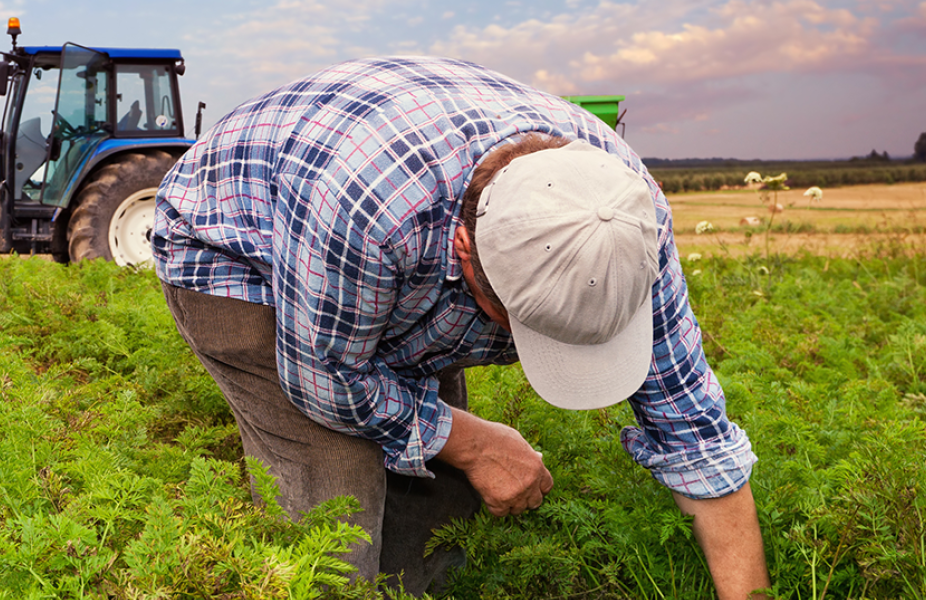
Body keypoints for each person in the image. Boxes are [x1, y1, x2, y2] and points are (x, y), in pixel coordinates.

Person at [152, 56, 769, 598]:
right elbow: (327, 378)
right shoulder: (372, 210)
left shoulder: (624, 218)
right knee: (334, 508)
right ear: (467, 249)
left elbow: (695, 433)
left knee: (440, 505)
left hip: (393, 243)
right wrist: (477, 442)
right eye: (521, 322)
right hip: (239, 248)